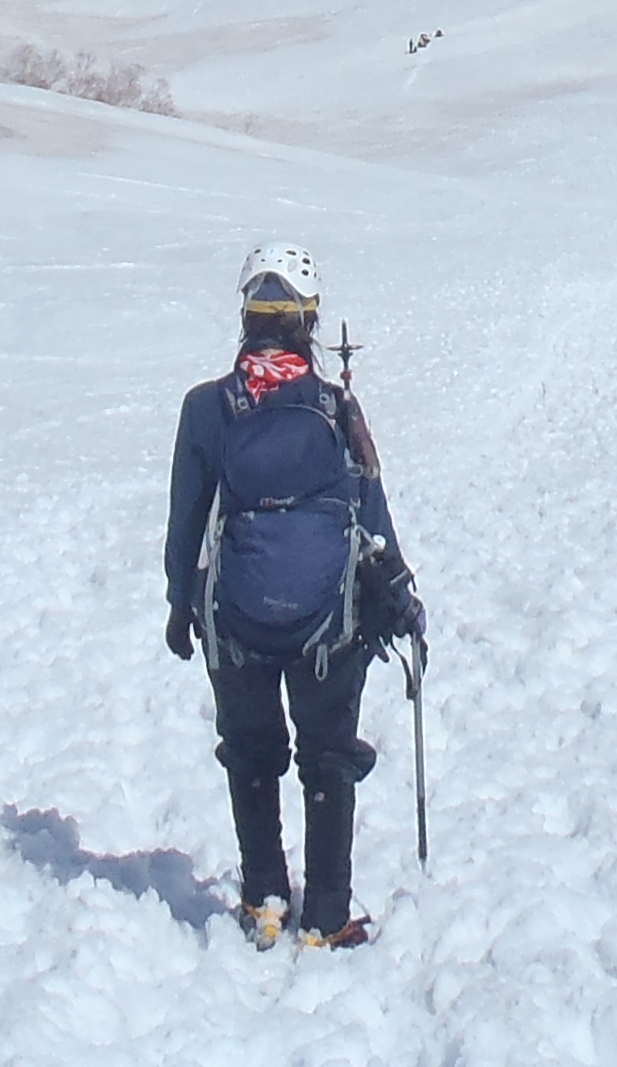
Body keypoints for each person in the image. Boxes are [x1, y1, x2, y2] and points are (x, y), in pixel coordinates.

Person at [163, 243, 423, 949]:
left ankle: (265, 902)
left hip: (236, 615)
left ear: (246, 313)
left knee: (251, 751)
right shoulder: (337, 408)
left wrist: (179, 600)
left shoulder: (208, 408)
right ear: (310, 319)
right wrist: (399, 589)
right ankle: (329, 914)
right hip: (327, 619)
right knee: (327, 753)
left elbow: (189, 512)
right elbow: (369, 510)